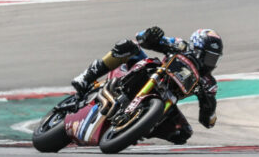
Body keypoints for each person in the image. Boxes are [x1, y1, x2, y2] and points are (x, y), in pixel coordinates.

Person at [70, 26, 222, 145]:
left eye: (214, 59)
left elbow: (208, 122)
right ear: (196, 48)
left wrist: (209, 105)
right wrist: (151, 35)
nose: (210, 63)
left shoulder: (208, 83)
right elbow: (141, 37)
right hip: (149, 73)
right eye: (208, 57)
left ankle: (135, 128)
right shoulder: (180, 45)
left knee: (182, 133)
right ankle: (86, 77)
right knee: (128, 46)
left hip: (167, 99)